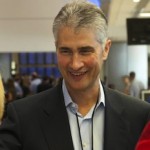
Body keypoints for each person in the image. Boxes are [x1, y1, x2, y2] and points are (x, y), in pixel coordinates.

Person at [0, 1, 150, 150]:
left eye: (85, 51)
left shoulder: (139, 116)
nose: (75, 64)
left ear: (105, 49)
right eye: (65, 51)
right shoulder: (23, 118)